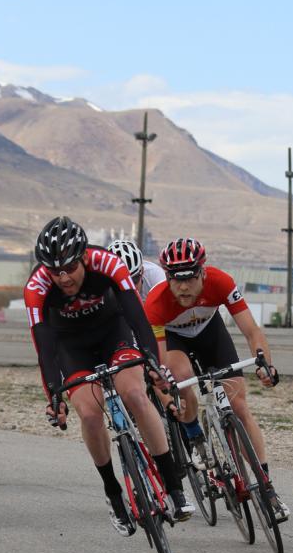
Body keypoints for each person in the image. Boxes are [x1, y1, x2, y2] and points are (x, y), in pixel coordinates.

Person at [24, 215, 192, 535]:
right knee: (88, 414)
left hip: (112, 332)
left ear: (84, 257)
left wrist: (154, 365)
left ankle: (175, 488)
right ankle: (114, 495)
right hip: (71, 347)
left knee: (135, 395)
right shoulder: (37, 288)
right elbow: (44, 349)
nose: (63, 278)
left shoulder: (106, 263)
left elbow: (138, 319)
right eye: (54, 271)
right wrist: (54, 397)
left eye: (70, 268)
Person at [144, 237, 289, 520]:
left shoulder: (221, 282)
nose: (183, 287)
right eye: (175, 279)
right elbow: (161, 361)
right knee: (183, 379)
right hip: (176, 341)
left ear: (203, 272)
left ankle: (267, 487)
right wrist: (164, 387)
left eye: (190, 278)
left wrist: (265, 365)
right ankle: (195, 436)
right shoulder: (156, 302)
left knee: (240, 406)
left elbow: (251, 331)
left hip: (212, 334)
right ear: (167, 277)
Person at [106, 237, 165, 302]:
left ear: (142, 271)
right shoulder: (101, 285)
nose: (129, 288)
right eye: (119, 283)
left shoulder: (157, 278)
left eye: (134, 281)